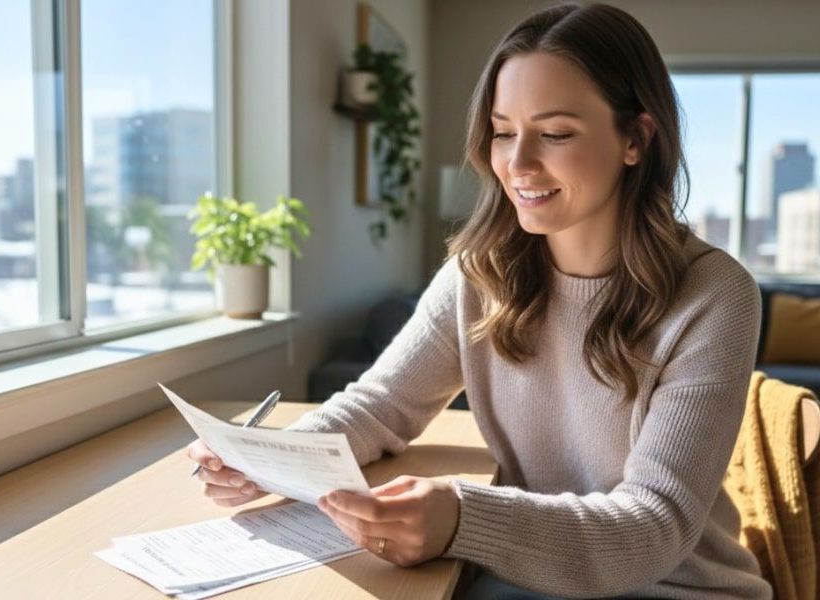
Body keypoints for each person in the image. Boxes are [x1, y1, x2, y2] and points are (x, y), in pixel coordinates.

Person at [187, 3, 772, 598]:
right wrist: (271, 457)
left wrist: (464, 517)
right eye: (502, 132)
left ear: (636, 139)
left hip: (675, 587)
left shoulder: (714, 295)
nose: (516, 164)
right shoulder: (479, 273)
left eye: (555, 133)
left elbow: (655, 527)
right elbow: (381, 405)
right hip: (531, 577)